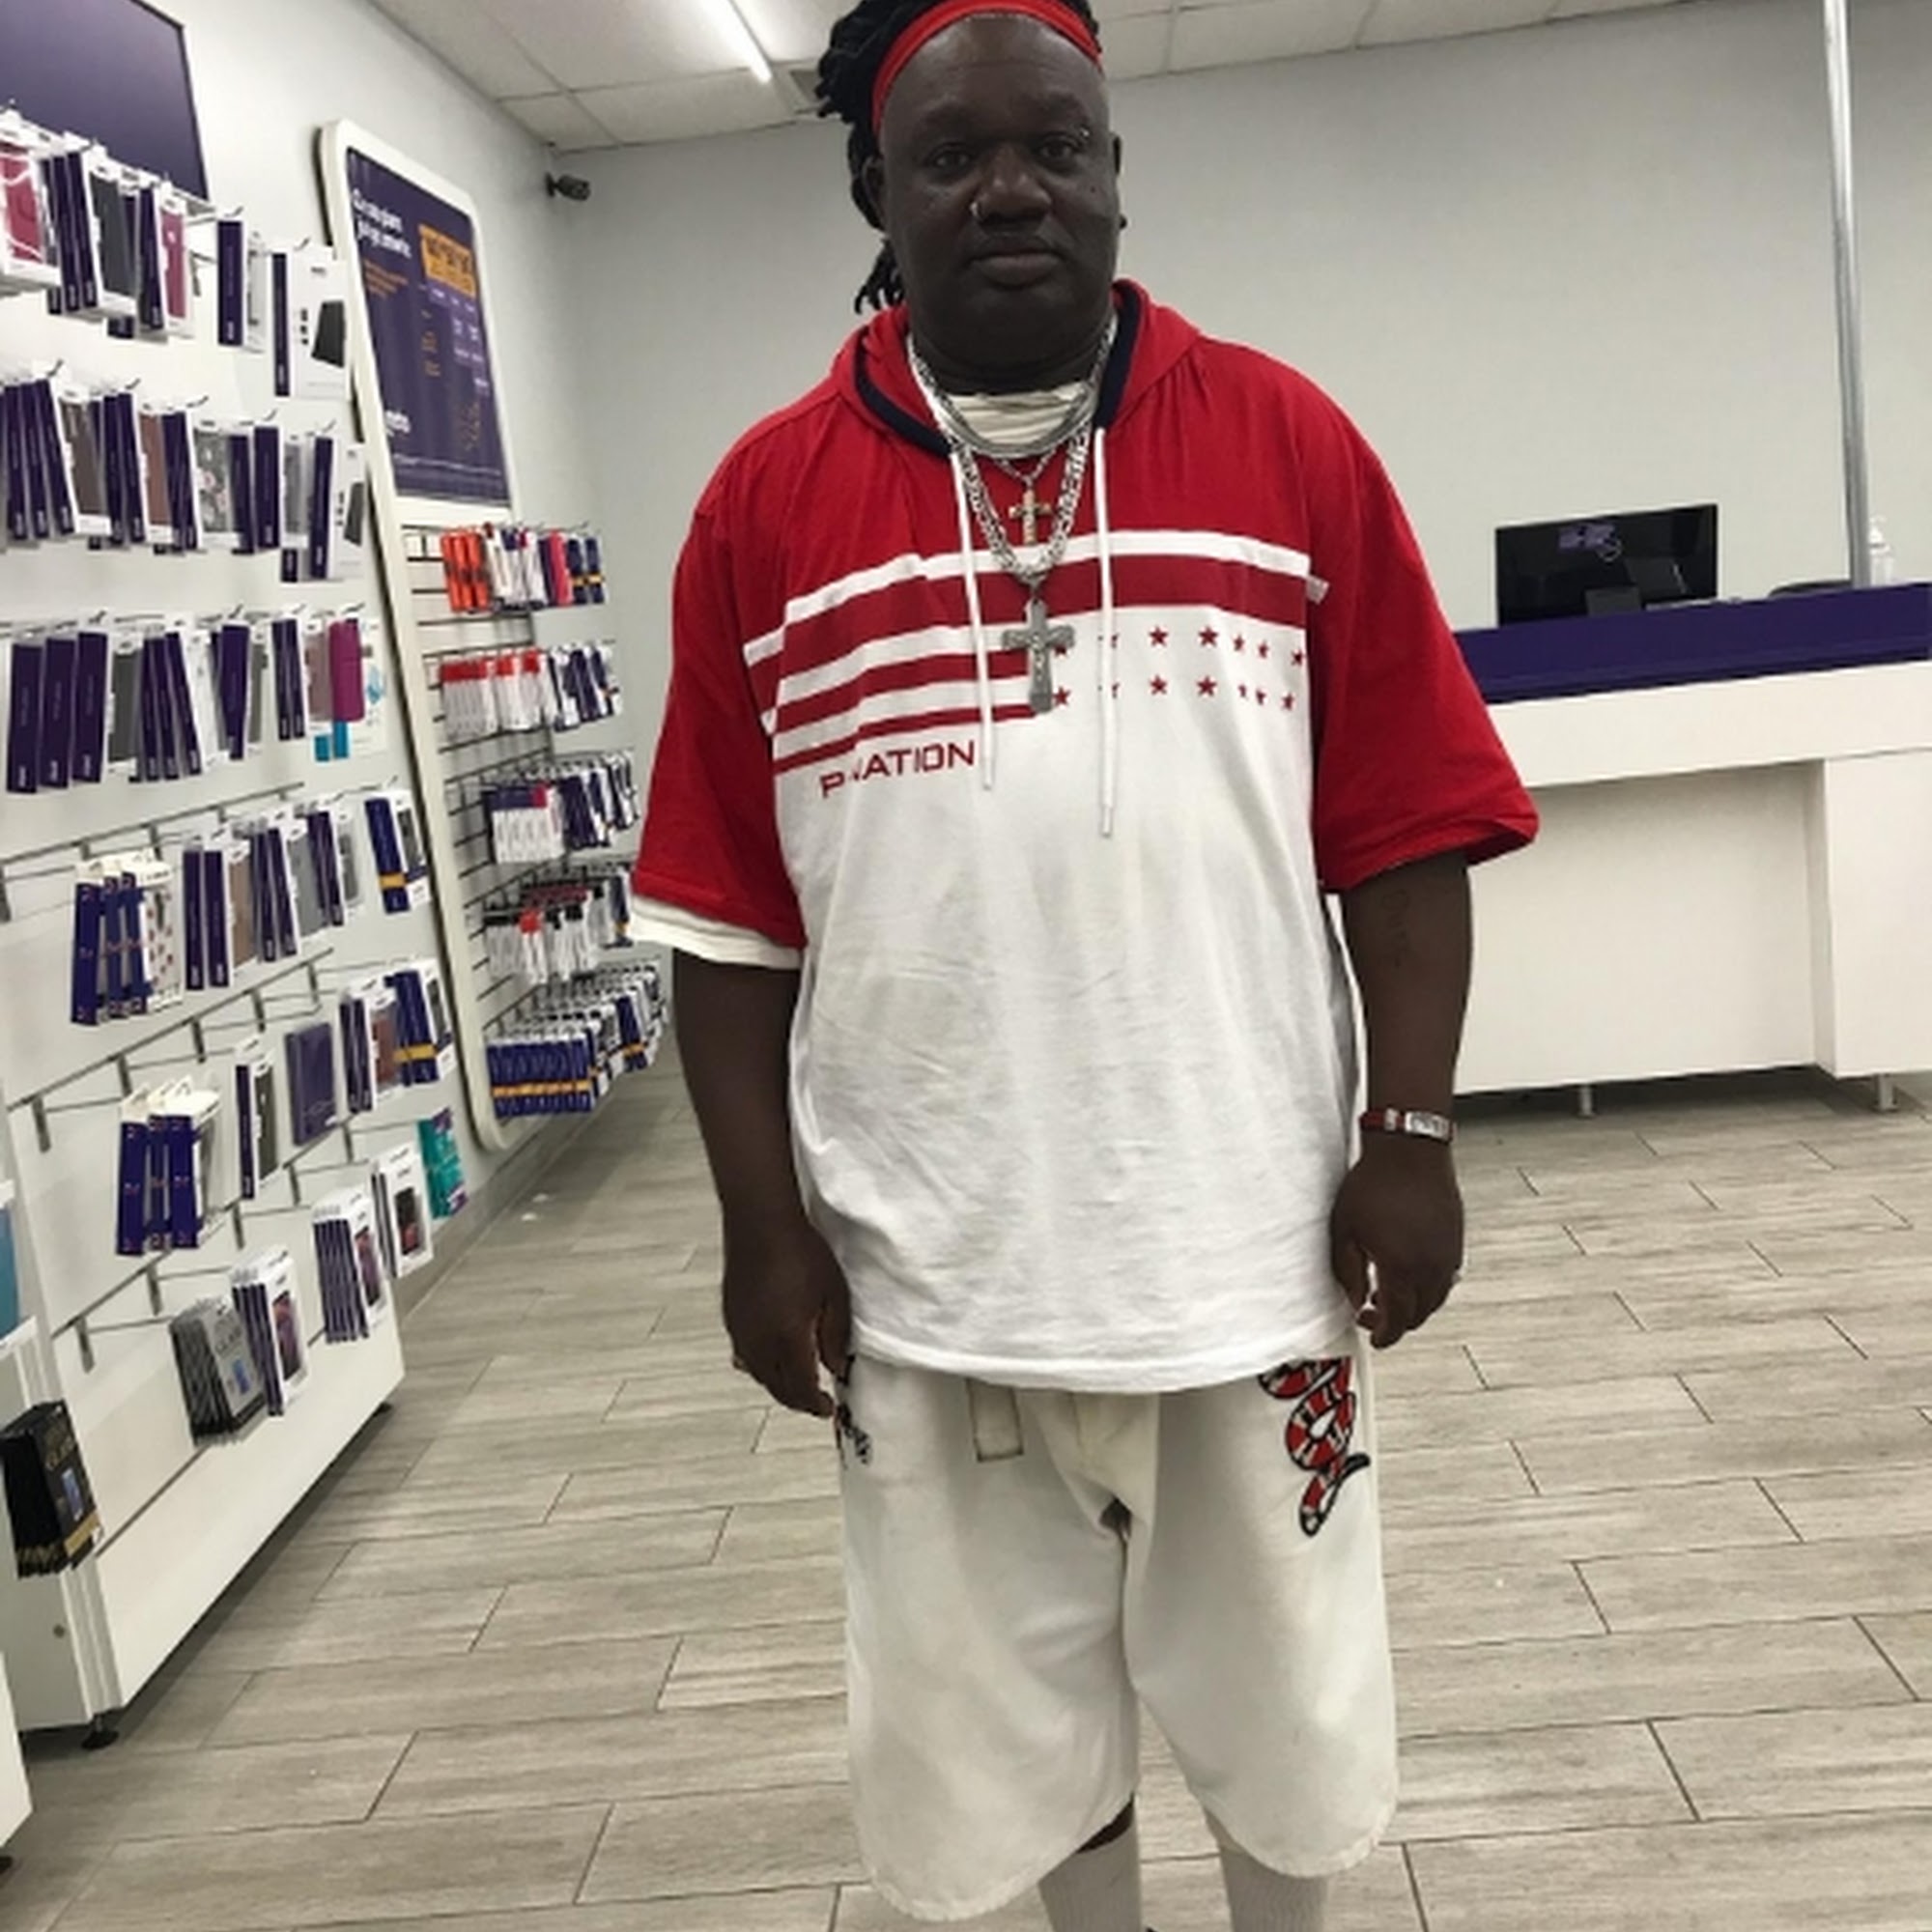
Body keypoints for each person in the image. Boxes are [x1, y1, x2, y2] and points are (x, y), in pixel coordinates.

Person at [629, 2, 1538, 1925]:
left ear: (1118, 175)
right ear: (875, 190)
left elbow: (1404, 830)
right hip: (926, 1272)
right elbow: (727, 922)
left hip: (1247, 1251)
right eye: (953, 156)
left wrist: (1414, 1133)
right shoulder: (763, 506)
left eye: (1056, 147)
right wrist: (759, 1227)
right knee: (1007, 1734)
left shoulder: (1282, 441)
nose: (1011, 190)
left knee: (1283, 1711)